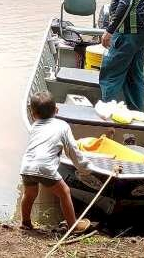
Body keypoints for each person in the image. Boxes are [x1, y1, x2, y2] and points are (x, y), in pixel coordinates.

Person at [19, 91, 91, 233]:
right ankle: (73, 226)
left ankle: (26, 222)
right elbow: (72, 151)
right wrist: (85, 168)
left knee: (29, 194)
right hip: (45, 168)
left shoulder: (34, 127)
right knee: (64, 192)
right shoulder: (62, 126)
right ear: (56, 110)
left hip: (26, 166)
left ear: (33, 115)